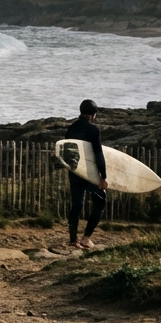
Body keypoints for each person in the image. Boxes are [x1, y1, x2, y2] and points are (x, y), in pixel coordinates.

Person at [65, 99, 107, 249]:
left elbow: (67, 151)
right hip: (89, 173)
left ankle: (72, 240)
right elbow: (98, 154)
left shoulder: (71, 128)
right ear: (92, 115)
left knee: (77, 205)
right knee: (101, 201)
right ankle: (86, 238)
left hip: (75, 171)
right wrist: (103, 176)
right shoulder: (93, 130)